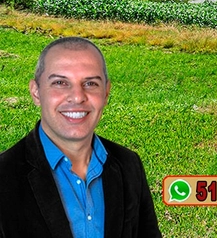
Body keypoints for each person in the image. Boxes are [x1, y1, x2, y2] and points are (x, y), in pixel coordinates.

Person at [0, 37, 162, 238]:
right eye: (60, 82)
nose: (77, 97)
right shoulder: (4, 175)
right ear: (36, 92)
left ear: (106, 93)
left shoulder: (129, 164)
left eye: (90, 83)